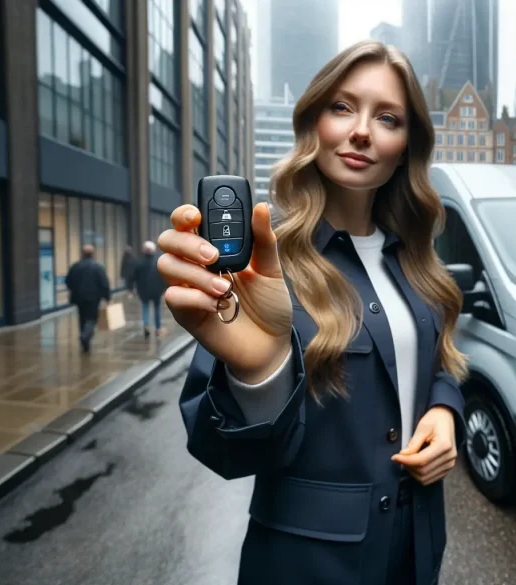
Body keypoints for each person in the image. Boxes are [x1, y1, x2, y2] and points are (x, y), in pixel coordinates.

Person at [157, 41, 467, 585]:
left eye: (388, 117)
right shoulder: (261, 262)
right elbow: (215, 449)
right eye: (343, 107)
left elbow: (438, 364)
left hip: (415, 551)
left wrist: (444, 413)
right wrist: (259, 373)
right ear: (313, 123)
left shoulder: (417, 259)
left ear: (405, 146)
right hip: (307, 568)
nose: (363, 131)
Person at [64, 244, 110, 353]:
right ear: (92, 254)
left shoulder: (76, 266)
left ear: (82, 253)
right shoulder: (98, 267)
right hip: (93, 298)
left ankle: (85, 342)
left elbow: (68, 281)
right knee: (91, 319)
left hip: (79, 298)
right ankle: (85, 336)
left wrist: (75, 289)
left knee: (82, 318)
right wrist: (107, 297)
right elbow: (104, 283)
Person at [133, 240, 167, 338]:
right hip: (157, 291)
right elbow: (163, 277)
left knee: (145, 308)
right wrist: (164, 289)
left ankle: (146, 325)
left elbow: (134, 277)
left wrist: (134, 289)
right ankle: (157, 329)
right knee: (157, 310)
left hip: (144, 291)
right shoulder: (158, 263)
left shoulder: (139, 263)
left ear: (144, 251)